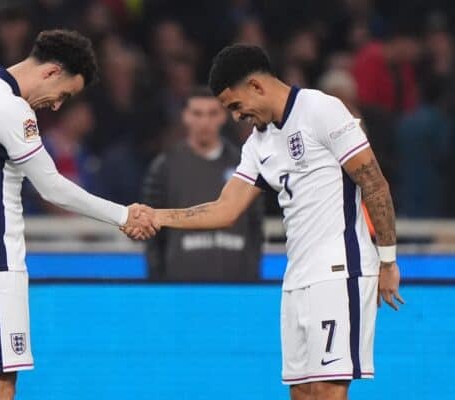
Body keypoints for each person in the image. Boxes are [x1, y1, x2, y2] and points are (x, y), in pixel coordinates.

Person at [125, 44, 404, 400]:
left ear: (256, 86)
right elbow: (225, 209)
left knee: (328, 389)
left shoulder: (322, 109)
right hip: (297, 276)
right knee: (301, 390)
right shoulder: (259, 143)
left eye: (236, 106)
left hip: (340, 268)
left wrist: (387, 259)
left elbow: (374, 182)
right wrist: (157, 216)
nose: (237, 116)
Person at [0, 29, 156, 400]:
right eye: (64, 93)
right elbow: (51, 186)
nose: (57, 106)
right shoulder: (11, 108)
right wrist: (123, 215)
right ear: (51, 71)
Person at [142, 86, 264, 281]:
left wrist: (252, 276)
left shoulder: (245, 163)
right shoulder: (164, 167)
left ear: (223, 116)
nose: (205, 122)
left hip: (237, 286)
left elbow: (255, 226)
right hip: (179, 286)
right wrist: (158, 283)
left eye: (212, 113)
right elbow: (152, 233)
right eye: (197, 114)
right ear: (185, 116)